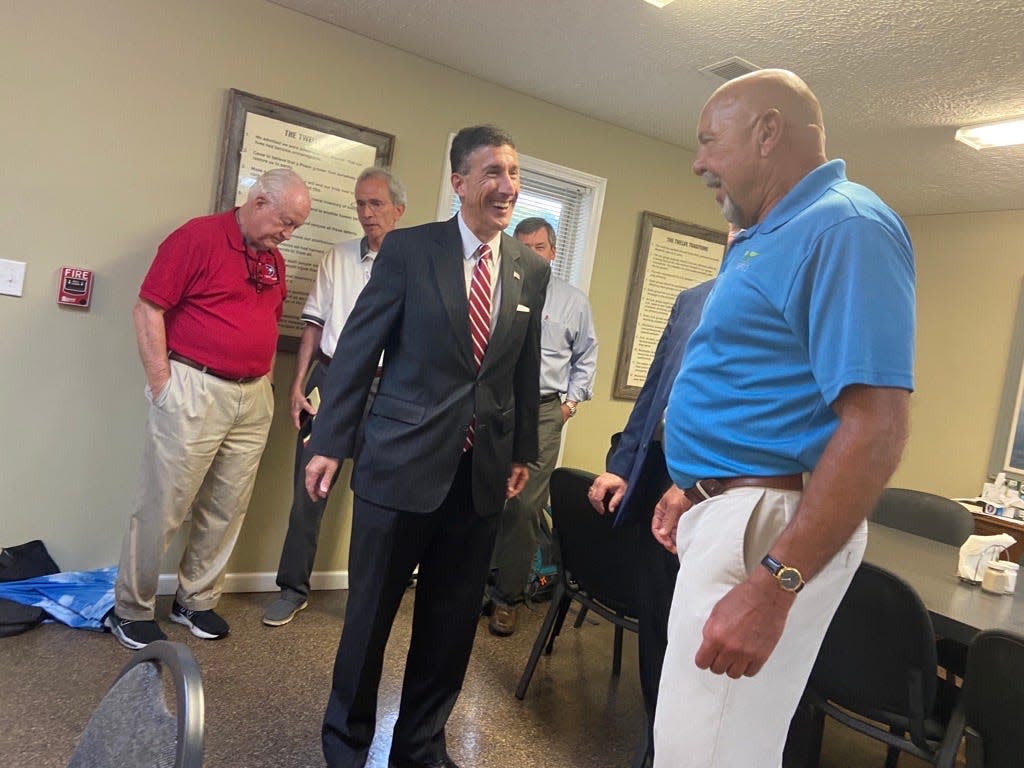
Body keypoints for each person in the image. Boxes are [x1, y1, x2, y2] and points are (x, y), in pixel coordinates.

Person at [650, 69, 915, 767]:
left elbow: (877, 426)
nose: (699, 160)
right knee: (693, 747)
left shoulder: (846, 225)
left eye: (710, 141)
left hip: (766, 532)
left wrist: (775, 584)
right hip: (738, 513)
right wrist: (697, 484)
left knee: (707, 755)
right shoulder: (770, 233)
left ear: (769, 132)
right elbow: (763, 388)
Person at [304, 125, 550, 768]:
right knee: (369, 620)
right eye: (493, 171)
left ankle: (418, 746)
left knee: (447, 626)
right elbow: (360, 347)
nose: (506, 186)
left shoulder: (529, 269)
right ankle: (346, 742)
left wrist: (521, 448)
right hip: (399, 463)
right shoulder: (412, 250)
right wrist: (330, 441)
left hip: (480, 476)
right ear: (459, 182)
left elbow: (523, 368)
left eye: (515, 172)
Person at [106, 169, 311, 650]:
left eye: (295, 226)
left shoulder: (273, 261)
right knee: (163, 504)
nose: (287, 234)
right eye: (284, 221)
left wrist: (264, 382)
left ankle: (194, 600)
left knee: (227, 505)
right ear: (258, 200)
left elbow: (264, 320)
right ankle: (130, 609)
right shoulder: (197, 237)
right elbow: (148, 309)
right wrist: (163, 385)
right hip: (194, 387)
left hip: (251, 394)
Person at [262, 167, 406, 627]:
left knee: (376, 497)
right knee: (308, 489)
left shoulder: (416, 264)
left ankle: (366, 597)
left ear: (398, 210)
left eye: (376, 204)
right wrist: (298, 383)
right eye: (360, 204)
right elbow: (314, 325)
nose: (366, 213)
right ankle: (292, 589)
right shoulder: (337, 258)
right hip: (332, 378)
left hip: (388, 387)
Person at [587, 278, 713, 767]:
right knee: (659, 622)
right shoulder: (693, 298)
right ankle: (657, 744)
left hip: (719, 483)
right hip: (661, 470)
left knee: (701, 631)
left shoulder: (781, 291)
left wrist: (701, 482)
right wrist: (622, 464)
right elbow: (655, 389)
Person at [485, 217, 598, 636]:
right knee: (481, 496)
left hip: (544, 411)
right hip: (495, 406)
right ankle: (476, 584)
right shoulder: (496, 289)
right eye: (523, 246)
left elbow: (586, 357)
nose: (531, 253)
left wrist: (570, 405)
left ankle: (506, 598)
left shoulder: (573, 301)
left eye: (539, 246)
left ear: (552, 252)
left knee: (524, 505)